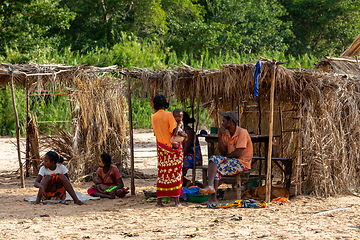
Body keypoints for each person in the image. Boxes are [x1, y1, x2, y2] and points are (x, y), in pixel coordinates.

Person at [199, 111, 253, 204]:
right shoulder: (226, 133)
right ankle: (210, 186)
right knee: (213, 159)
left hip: (242, 162)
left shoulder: (242, 132)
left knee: (217, 168)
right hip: (231, 160)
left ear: (230, 121)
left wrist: (225, 157)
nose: (222, 123)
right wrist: (220, 135)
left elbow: (238, 153)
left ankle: (213, 198)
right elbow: (222, 151)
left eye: (224, 121)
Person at [151, 94, 183, 207]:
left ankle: (159, 200)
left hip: (161, 149)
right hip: (172, 149)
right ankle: (176, 201)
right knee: (175, 173)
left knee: (163, 173)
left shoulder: (153, 117)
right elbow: (174, 131)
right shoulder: (169, 115)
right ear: (165, 104)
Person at [182, 112, 202, 186]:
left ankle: (186, 182)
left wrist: (179, 157)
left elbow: (187, 148)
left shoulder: (188, 131)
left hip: (194, 157)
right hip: (186, 155)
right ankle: (185, 182)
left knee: (177, 164)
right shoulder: (180, 131)